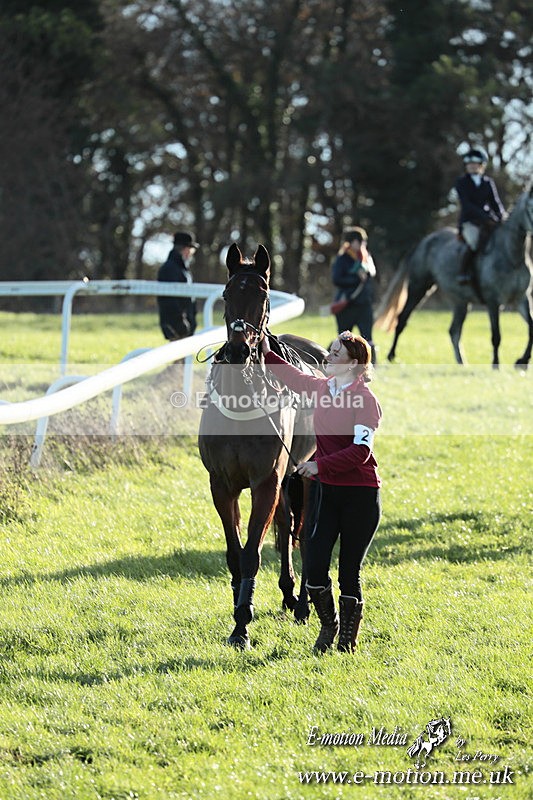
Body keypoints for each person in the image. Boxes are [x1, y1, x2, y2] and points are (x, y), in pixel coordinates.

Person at [261, 330, 382, 654]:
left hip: (360, 495)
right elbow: (295, 377)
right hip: (327, 494)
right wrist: (263, 348)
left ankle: (346, 641)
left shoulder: (366, 401)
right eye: (329, 352)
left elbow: (361, 452)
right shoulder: (322, 389)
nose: (327, 358)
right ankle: (329, 626)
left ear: (354, 364)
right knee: (314, 568)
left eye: (335, 354)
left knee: (348, 574)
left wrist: (318, 466)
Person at [455, 146, 505, 284]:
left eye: (474, 164)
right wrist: (485, 216)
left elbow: (495, 202)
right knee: (474, 243)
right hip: (469, 222)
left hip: (487, 221)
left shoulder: (488, 182)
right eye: (469, 164)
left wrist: (501, 216)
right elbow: (466, 205)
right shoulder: (461, 182)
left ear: (481, 165)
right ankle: (463, 272)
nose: (471, 166)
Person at [331, 227, 377, 363]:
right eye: (361, 241)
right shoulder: (342, 259)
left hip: (364, 304)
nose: (364, 244)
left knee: (368, 339)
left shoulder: (366, 258)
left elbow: (372, 274)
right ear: (353, 242)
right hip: (347, 306)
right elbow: (337, 279)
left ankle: (371, 366)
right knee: (344, 340)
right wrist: (356, 278)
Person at [157, 231, 200, 340]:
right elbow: (168, 301)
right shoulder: (170, 269)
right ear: (186, 249)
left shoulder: (180, 268)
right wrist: (181, 324)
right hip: (178, 329)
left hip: (184, 328)